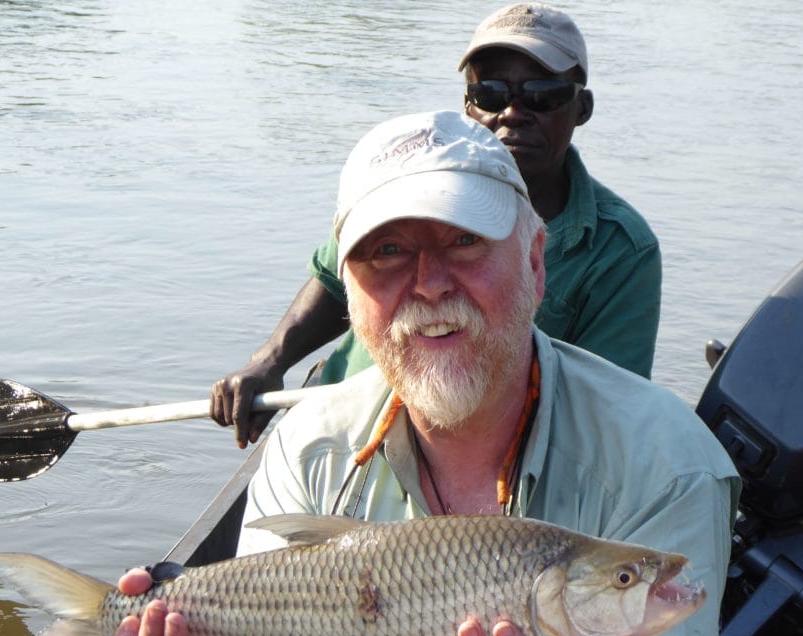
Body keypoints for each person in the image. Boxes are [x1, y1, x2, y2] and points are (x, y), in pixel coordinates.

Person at [107, 110, 739, 636]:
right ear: (349, 295)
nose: (430, 283)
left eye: (464, 240)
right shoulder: (308, 445)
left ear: (535, 261)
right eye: (387, 252)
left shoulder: (668, 462)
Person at [211, 3, 662, 450]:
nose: (512, 113)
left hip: (486, 457)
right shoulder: (408, 182)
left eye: (542, 95)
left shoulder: (621, 249)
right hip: (345, 427)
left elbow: (604, 405)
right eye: (490, 93)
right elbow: (335, 279)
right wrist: (269, 361)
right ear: (468, 106)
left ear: (581, 107)